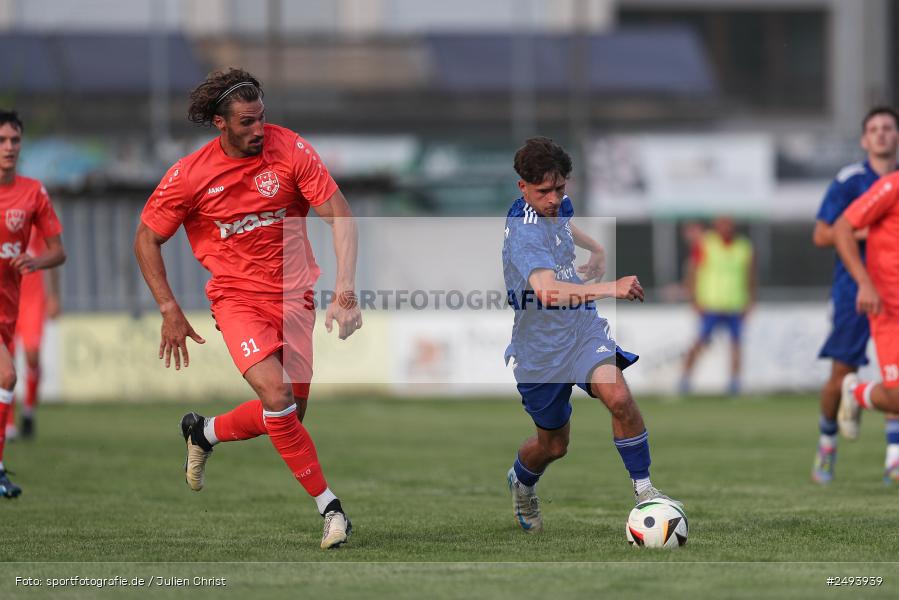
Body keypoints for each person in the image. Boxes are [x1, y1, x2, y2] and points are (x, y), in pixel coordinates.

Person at [134, 69, 361, 548]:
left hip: (296, 296)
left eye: (261, 118)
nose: (258, 129)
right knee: (277, 397)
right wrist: (169, 308)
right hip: (236, 299)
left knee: (290, 413)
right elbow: (146, 238)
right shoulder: (190, 175)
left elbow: (340, 215)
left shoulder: (290, 149)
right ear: (220, 123)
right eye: (246, 122)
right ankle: (331, 508)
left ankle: (205, 432)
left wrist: (345, 289)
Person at [502, 137, 681, 534]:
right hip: (539, 351)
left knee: (619, 397)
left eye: (559, 187)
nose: (554, 198)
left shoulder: (556, 205)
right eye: (543, 191)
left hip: (581, 328)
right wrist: (611, 287)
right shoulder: (524, 232)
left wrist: (596, 248)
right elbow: (548, 292)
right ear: (523, 188)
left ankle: (645, 492)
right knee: (553, 445)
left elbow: (566, 223)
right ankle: (522, 481)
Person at [811, 107, 899, 484]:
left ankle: (894, 456)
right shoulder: (851, 180)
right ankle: (827, 444)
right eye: (873, 129)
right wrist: (872, 230)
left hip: (892, 293)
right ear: (864, 139)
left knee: (894, 374)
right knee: (840, 374)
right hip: (854, 290)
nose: (881, 134)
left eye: (888, 128)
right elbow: (822, 234)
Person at [0, 109, 66, 497]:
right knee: (8, 374)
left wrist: (36, 263)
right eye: (2, 141)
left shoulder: (32, 194)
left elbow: (58, 251)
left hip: (17, 299)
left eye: (15, 140)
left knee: (24, 360)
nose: (9, 147)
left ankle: (25, 418)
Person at [833, 136, 899, 485]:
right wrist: (864, 282)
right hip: (889, 308)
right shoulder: (891, 186)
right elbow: (842, 227)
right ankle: (857, 393)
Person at [679, 216, 756, 395]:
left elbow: (750, 275)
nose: (726, 229)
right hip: (710, 303)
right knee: (699, 342)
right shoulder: (705, 244)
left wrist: (751, 300)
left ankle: (734, 383)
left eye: (729, 225)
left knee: (736, 344)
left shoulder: (743, 246)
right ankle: (684, 380)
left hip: (735, 303)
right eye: (722, 225)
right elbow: (693, 271)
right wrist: (693, 298)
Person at [4, 230, 61, 440]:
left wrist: (54, 295)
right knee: (6, 363)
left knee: (32, 354)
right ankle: (8, 423)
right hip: (8, 299)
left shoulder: (36, 224)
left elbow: (53, 255)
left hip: (33, 300)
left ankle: (28, 410)